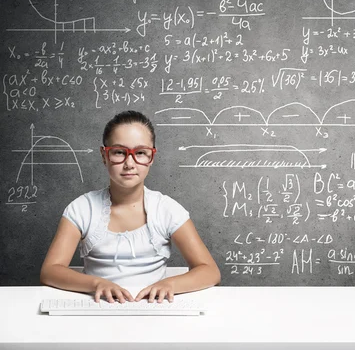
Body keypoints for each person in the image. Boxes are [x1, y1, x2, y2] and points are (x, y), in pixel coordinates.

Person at [40, 110, 220, 303]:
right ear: (104, 155)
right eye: (119, 152)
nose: (129, 163)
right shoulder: (82, 208)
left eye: (140, 153)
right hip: (98, 308)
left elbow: (210, 271)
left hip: (154, 309)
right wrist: (97, 284)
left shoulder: (166, 209)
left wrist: (170, 284)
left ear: (152, 157)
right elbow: (50, 271)